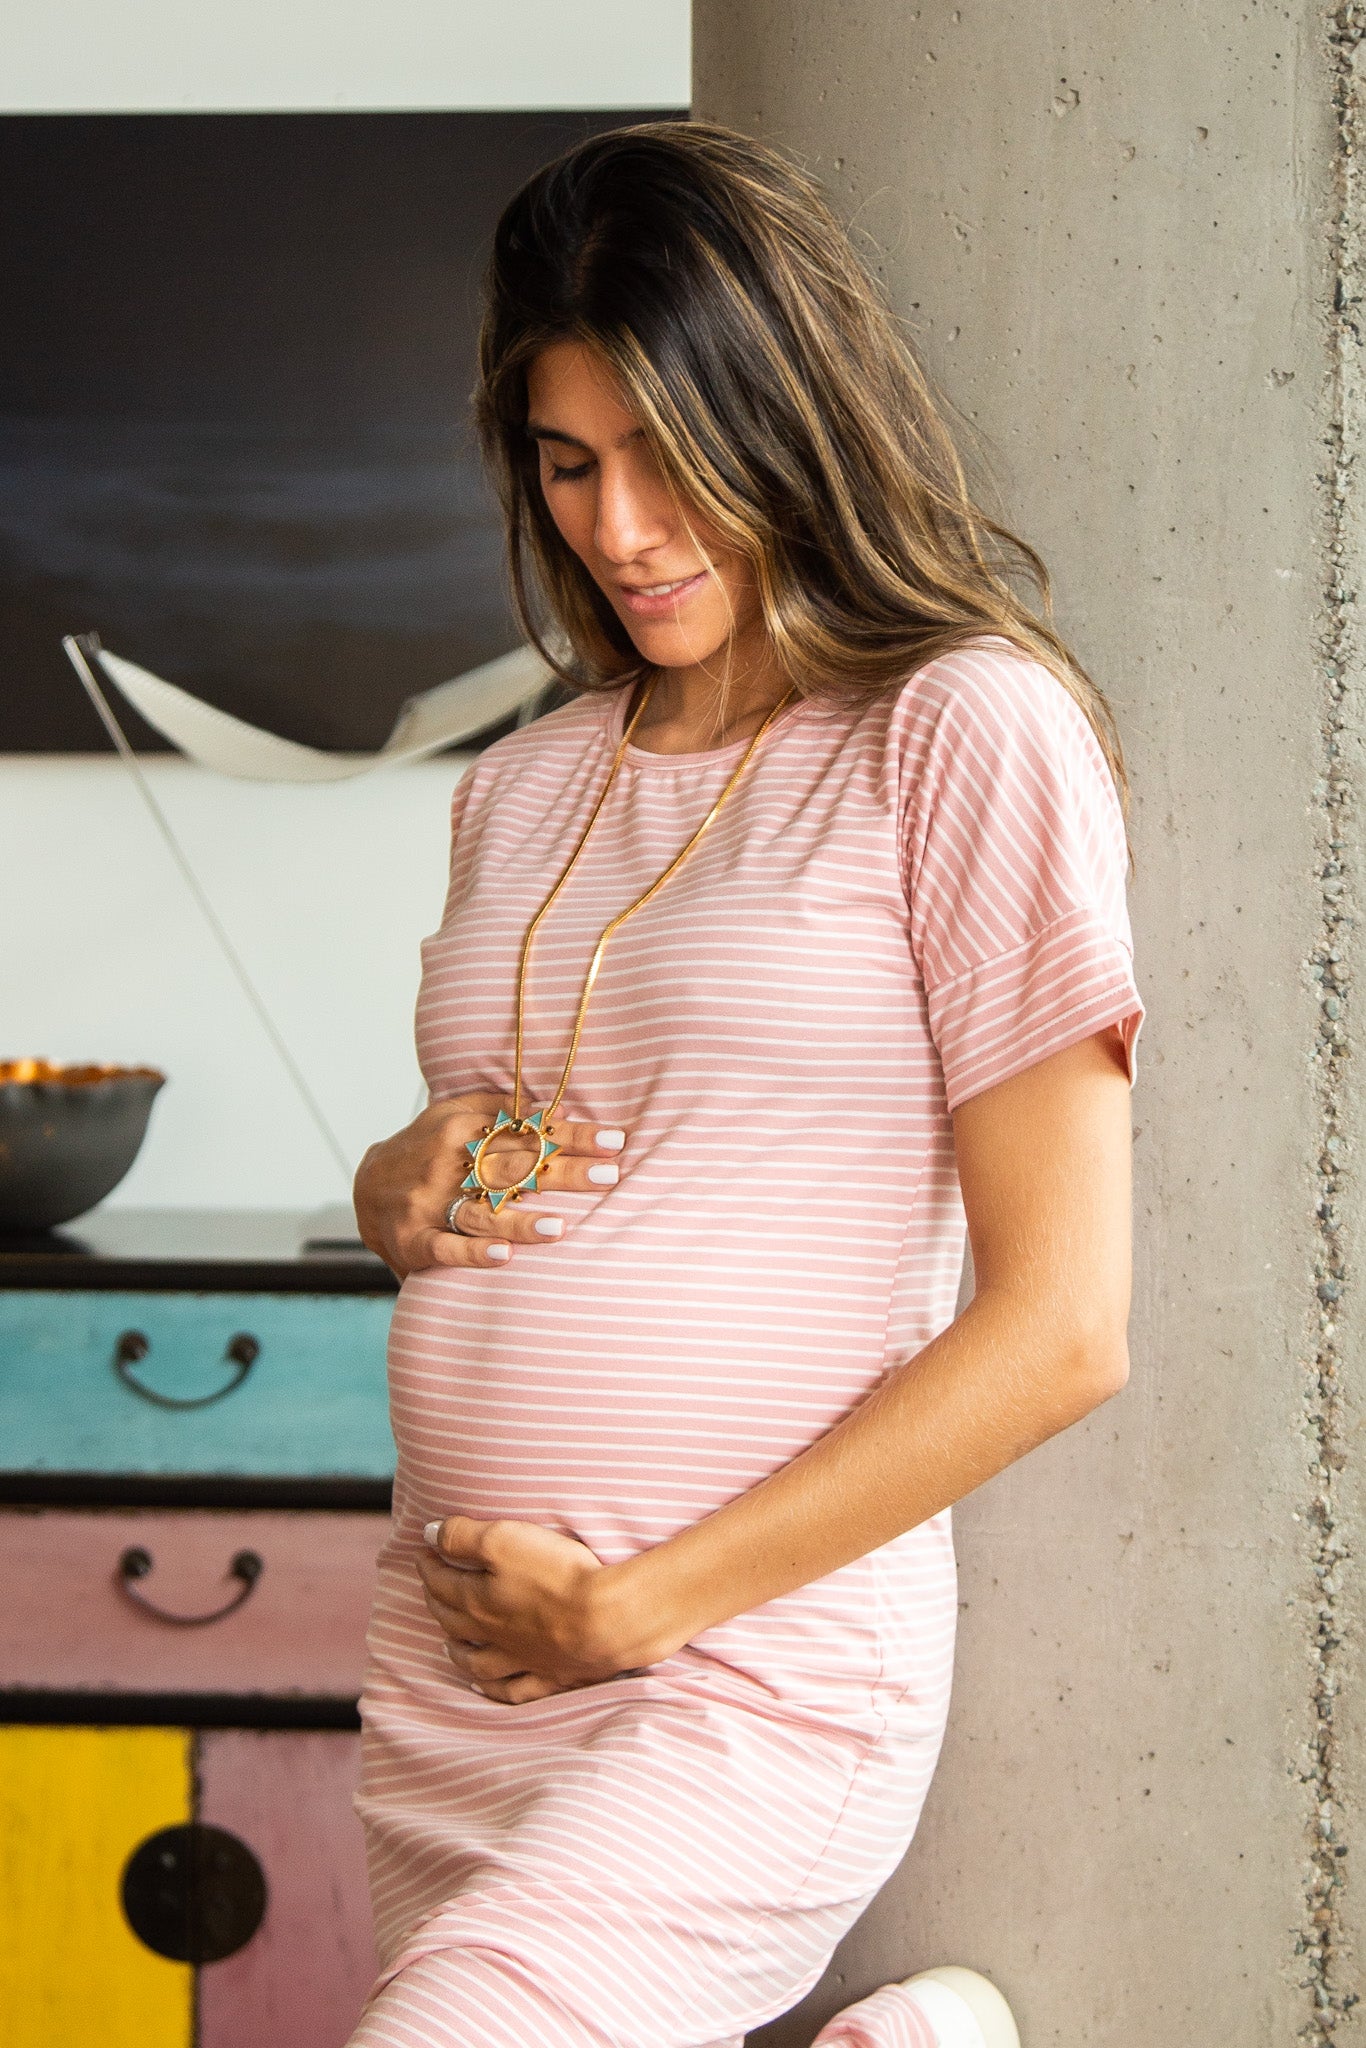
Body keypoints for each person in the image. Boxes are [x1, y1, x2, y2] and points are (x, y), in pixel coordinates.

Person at [347, 120, 1141, 2048]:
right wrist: (395, 1183)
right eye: (568, 462)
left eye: (668, 457)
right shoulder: (522, 784)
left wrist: (640, 1607)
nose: (620, 528)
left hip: (734, 1669)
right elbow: (578, 1156)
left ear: (782, 422)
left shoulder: (957, 731)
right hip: (454, 1672)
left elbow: (1061, 1328)